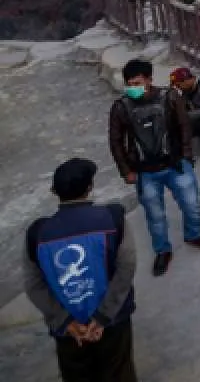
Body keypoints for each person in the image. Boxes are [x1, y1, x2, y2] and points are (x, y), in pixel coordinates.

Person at [24, 158, 138, 382]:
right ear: (90, 188)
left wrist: (65, 321)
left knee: (77, 375)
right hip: (112, 321)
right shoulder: (112, 218)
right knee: (119, 372)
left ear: (54, 191)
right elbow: (126, 267)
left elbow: (33, 284)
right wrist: (104, 315)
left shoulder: (37, 233)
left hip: (69, 330)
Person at [109, 58, 200, 277]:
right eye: (129, 83)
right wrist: (126, 170)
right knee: (155, 215)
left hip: (175, 163)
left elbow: (184, 126)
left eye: (137, 82)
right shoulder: (121, 107)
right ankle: (163, 251)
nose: (133, 87)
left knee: (191, 204)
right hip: (144, 171)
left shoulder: (169, 97)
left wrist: (187, 156)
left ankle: (193, 235)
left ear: (149, 79)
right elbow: (116, 141)